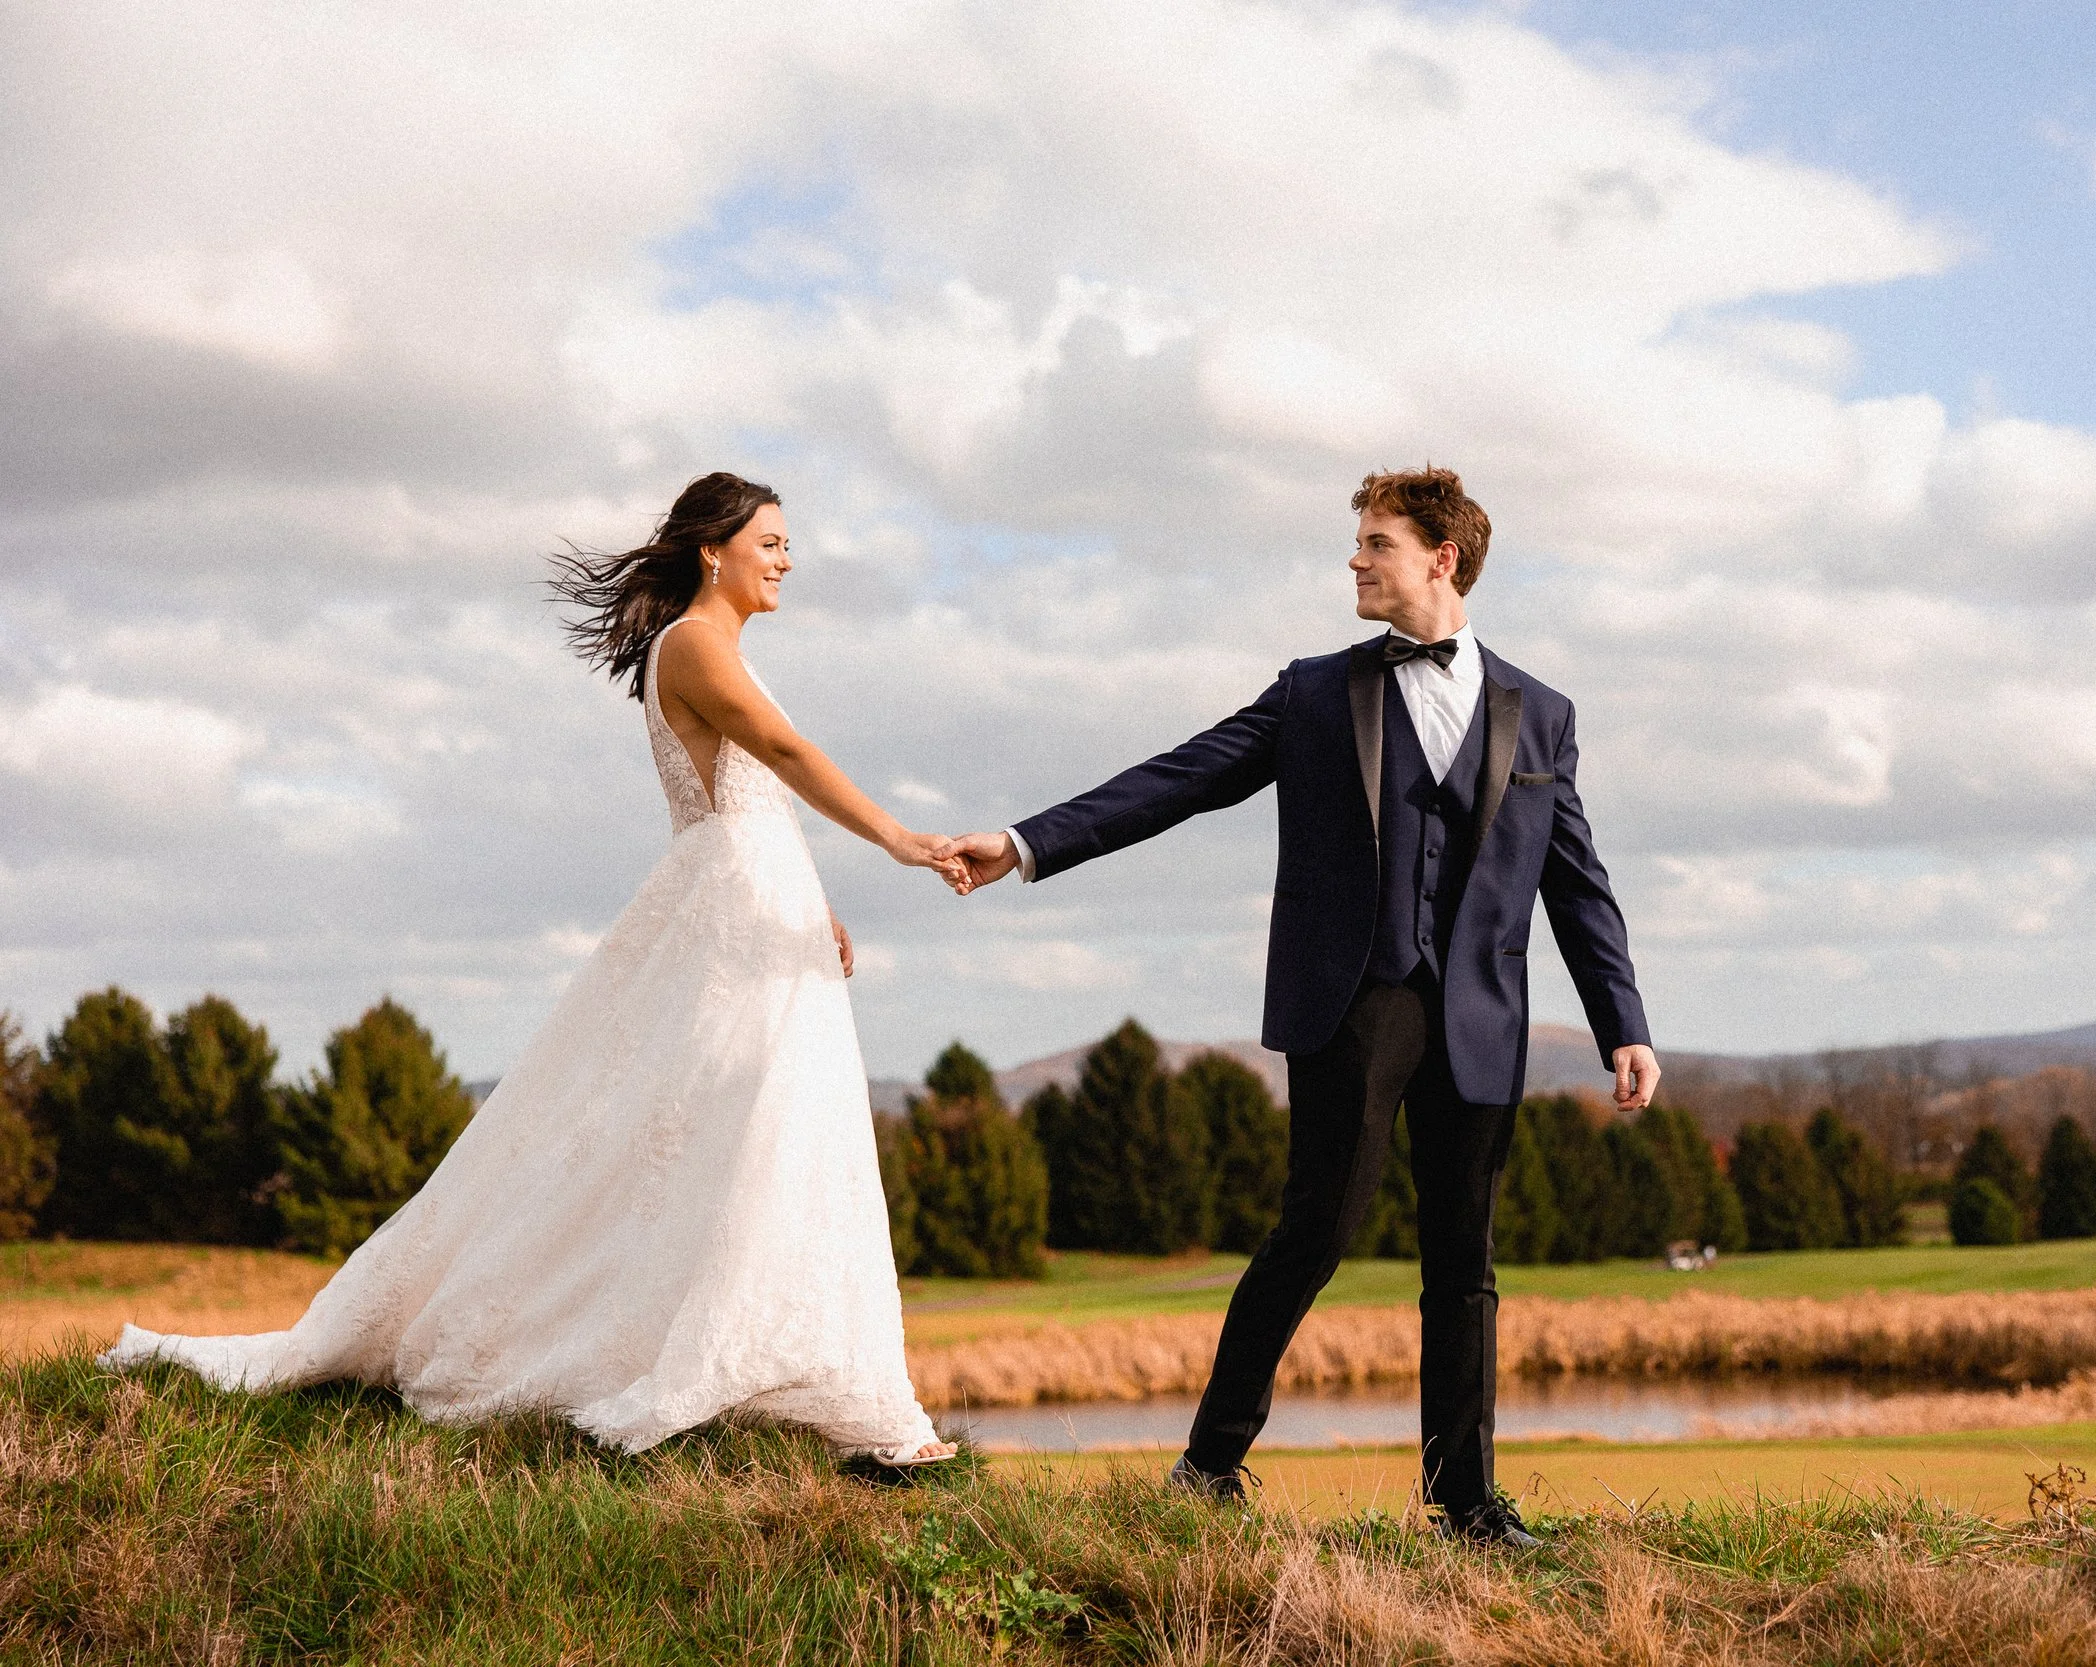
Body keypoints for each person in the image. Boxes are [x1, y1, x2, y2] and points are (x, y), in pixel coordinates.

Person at [102, 472, 964, 1464]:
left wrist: (815, 901)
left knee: (774, 1126)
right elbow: (780, 749)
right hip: (732, 906)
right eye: (770, 541)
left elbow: (756, 797)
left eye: (785, 543)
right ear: (710, 550)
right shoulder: (690, 644)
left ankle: (795, 1367)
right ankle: (662, 1352)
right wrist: (899, 838)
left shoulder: (719, 648)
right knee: (733, 1122)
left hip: (764, 902)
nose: (787, 559)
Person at [944, 466, 1659, 1545]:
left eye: (1374, 542)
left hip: (1479, 1015)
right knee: (1312, 1235)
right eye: (1357, 541)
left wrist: (1623, 1022)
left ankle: (1464, 1502)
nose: (1354, 559)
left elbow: (1575, 877)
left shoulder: (1540, 714)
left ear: (1440, 558)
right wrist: (1027, 842)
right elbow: (1180, 777)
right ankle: (1208, 1463)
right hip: (1352, 1003)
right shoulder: (1316, 693)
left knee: (1462, 1262)